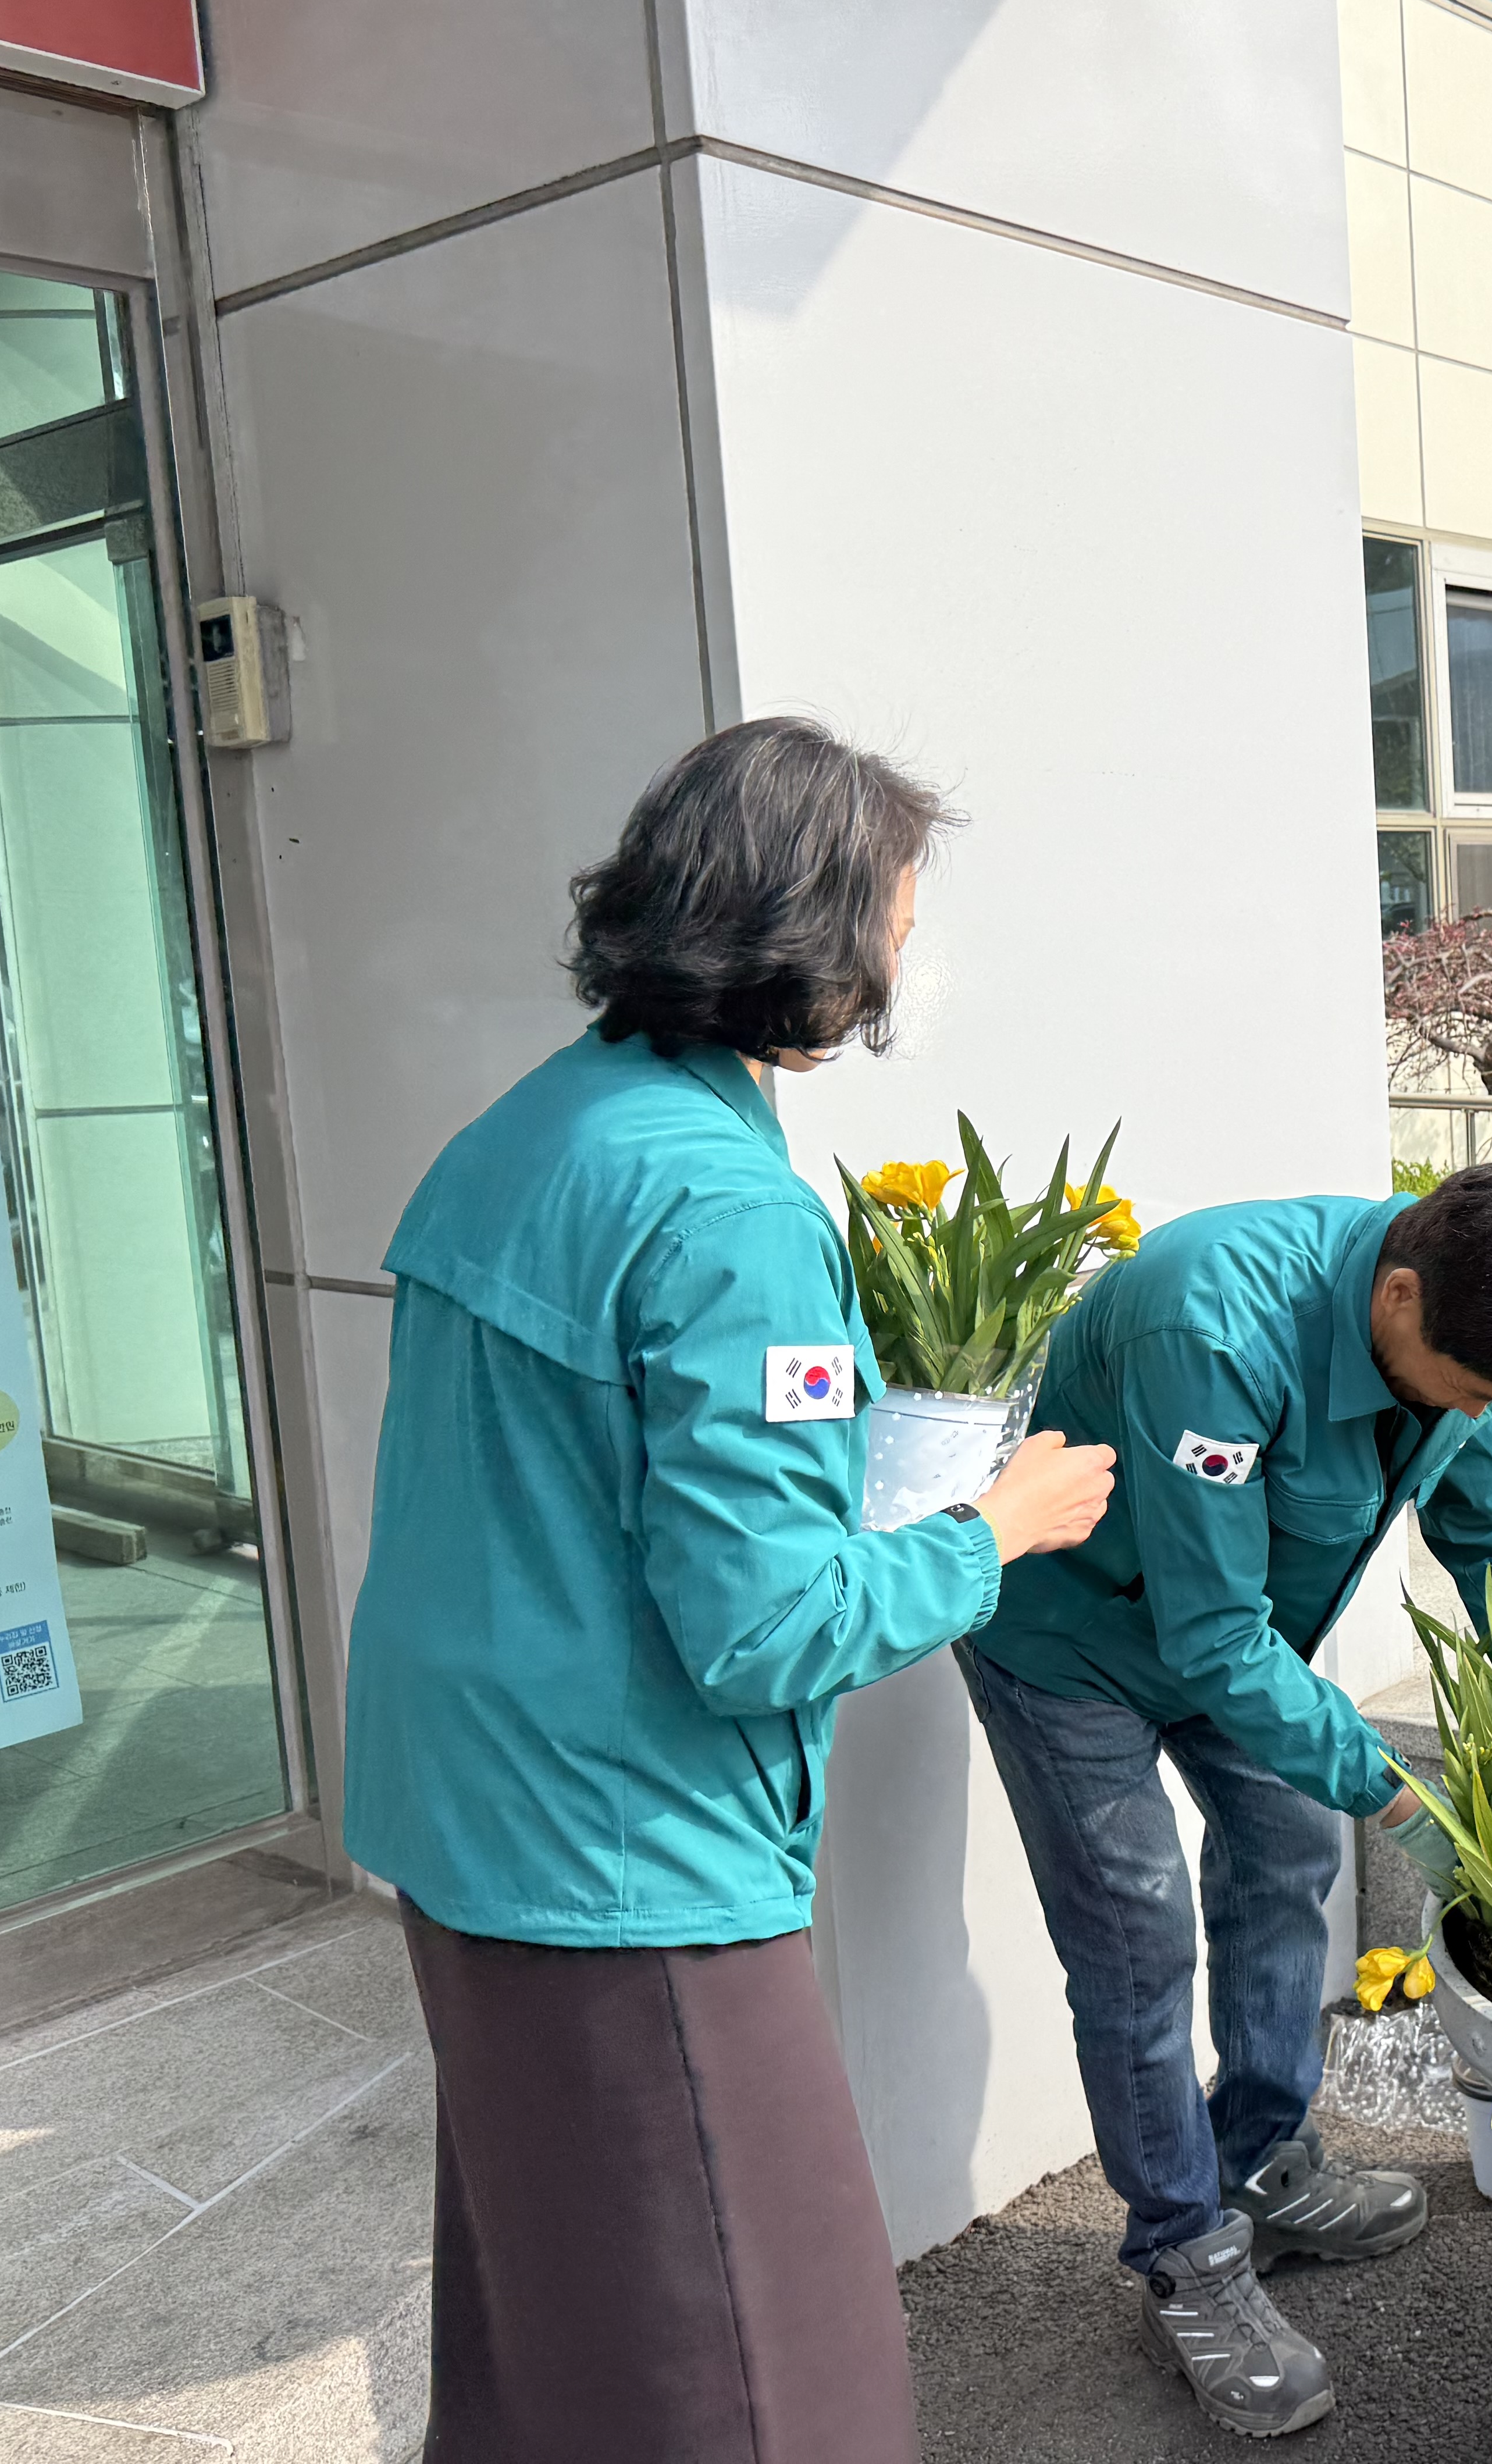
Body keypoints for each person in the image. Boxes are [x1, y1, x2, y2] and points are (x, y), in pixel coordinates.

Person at [342, 719, 1117, 2464]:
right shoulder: (728, 1208)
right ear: (811, 939)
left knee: (556, 2313)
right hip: (625, 1856)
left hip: (462, 1802)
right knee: (771, 2369)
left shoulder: (532, 1127)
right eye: (895, 932)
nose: (899, 967)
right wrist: (999, 1524)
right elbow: (762, 1626)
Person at [965, 1159, 1492, 2439]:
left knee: (1286, 1858)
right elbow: (1210, 1633)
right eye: (1480, 1393)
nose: (1484, 1415)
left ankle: (1260, 2159)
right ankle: (1183, 2255)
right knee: (1137, 1944)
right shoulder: (1211, 1325)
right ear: (1397, 1297)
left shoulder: (1463, 1309)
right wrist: (1410, 1809)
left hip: (1240, 1639)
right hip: (1076, 1649)